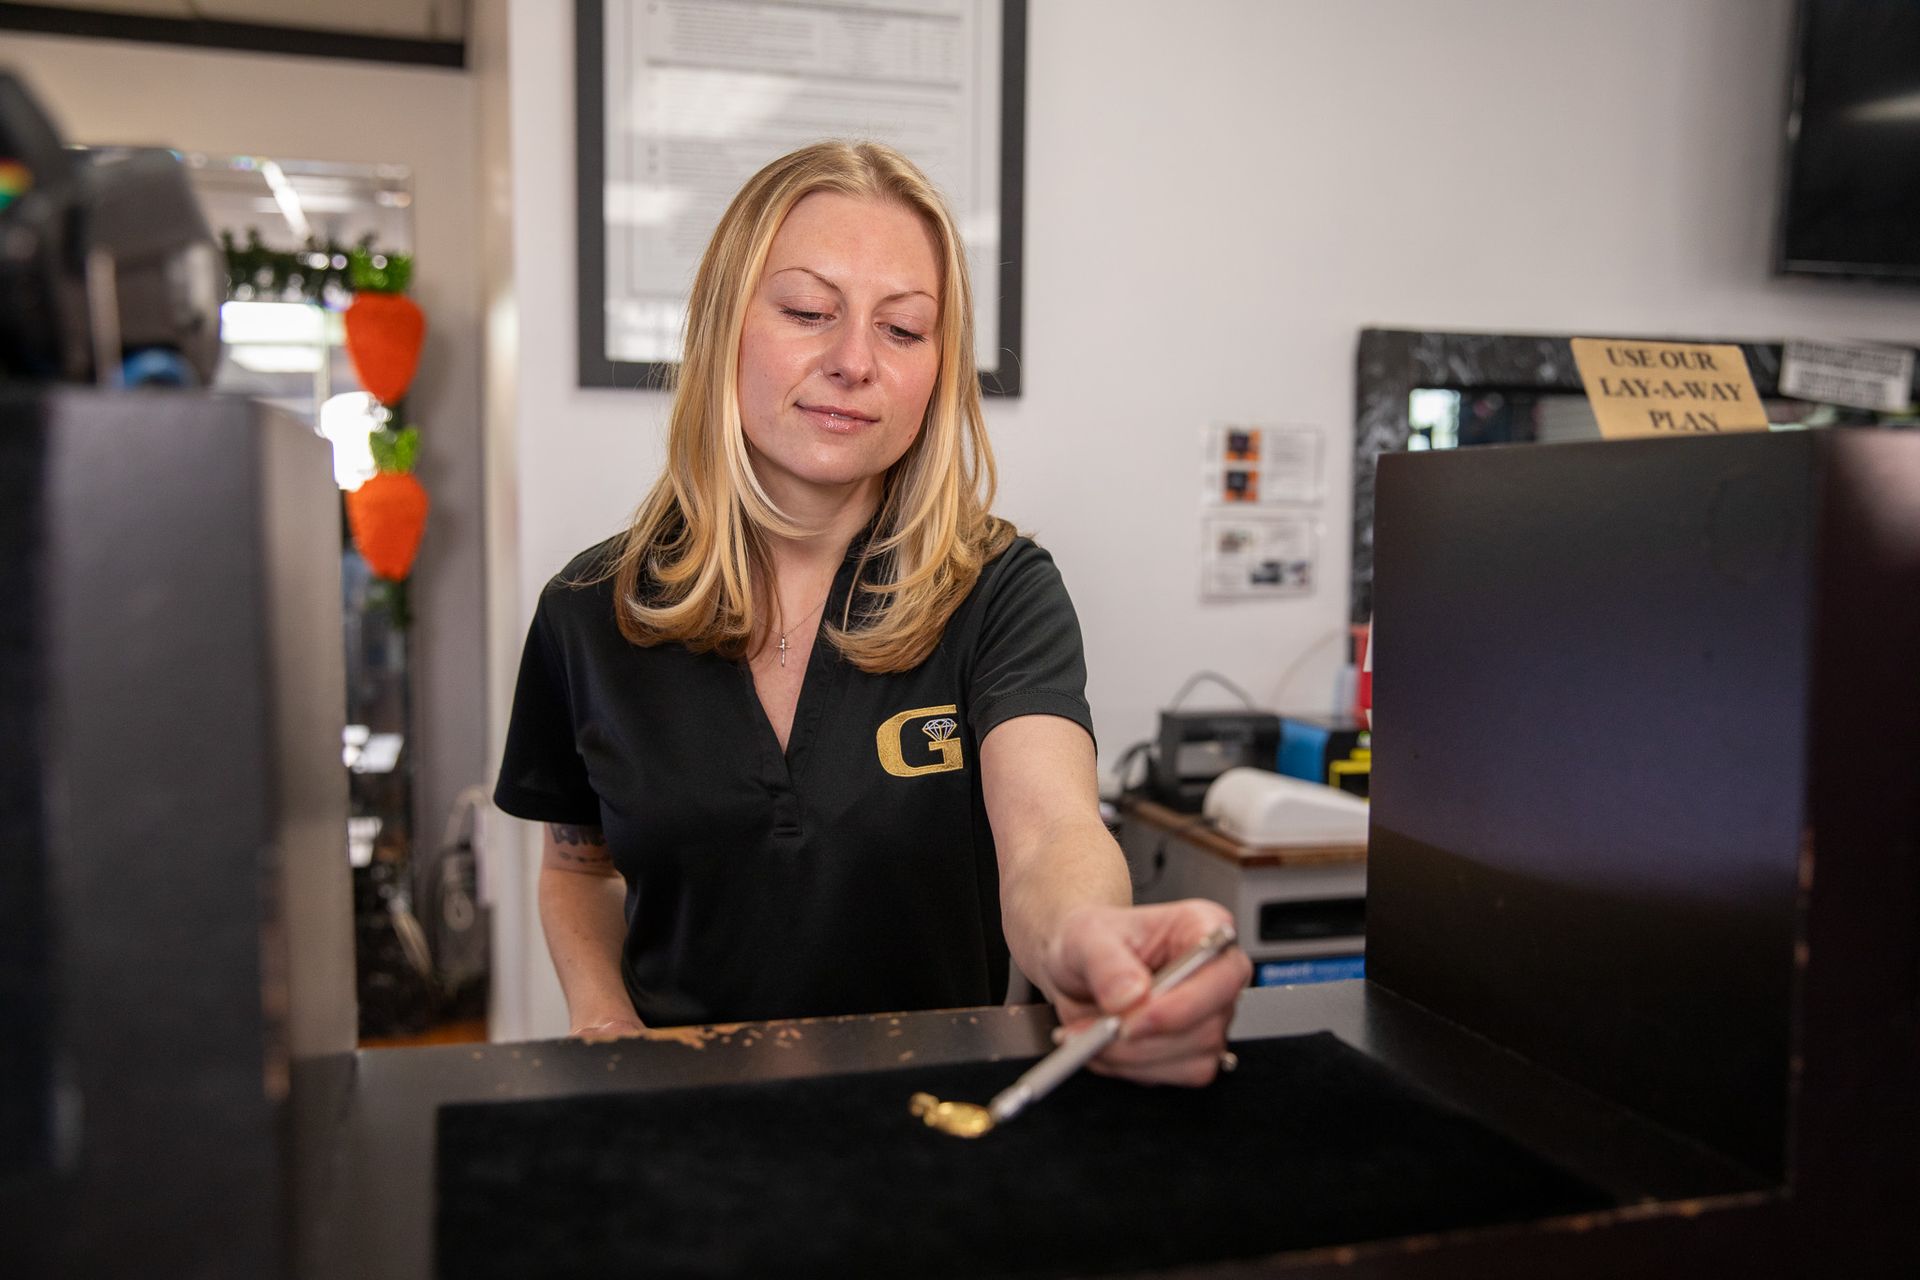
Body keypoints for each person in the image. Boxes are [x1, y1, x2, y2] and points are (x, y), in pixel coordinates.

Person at [494, 140, 1249, 1086]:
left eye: (904, 330)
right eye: (809, 312)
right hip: (683, 1120)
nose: (854, 361)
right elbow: (578, 866)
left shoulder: (1001, 591)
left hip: (937, 1115)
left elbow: (1051, 834)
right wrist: (605, 1021)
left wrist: (1090, 942)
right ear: (723, 325)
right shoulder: (589, 612)